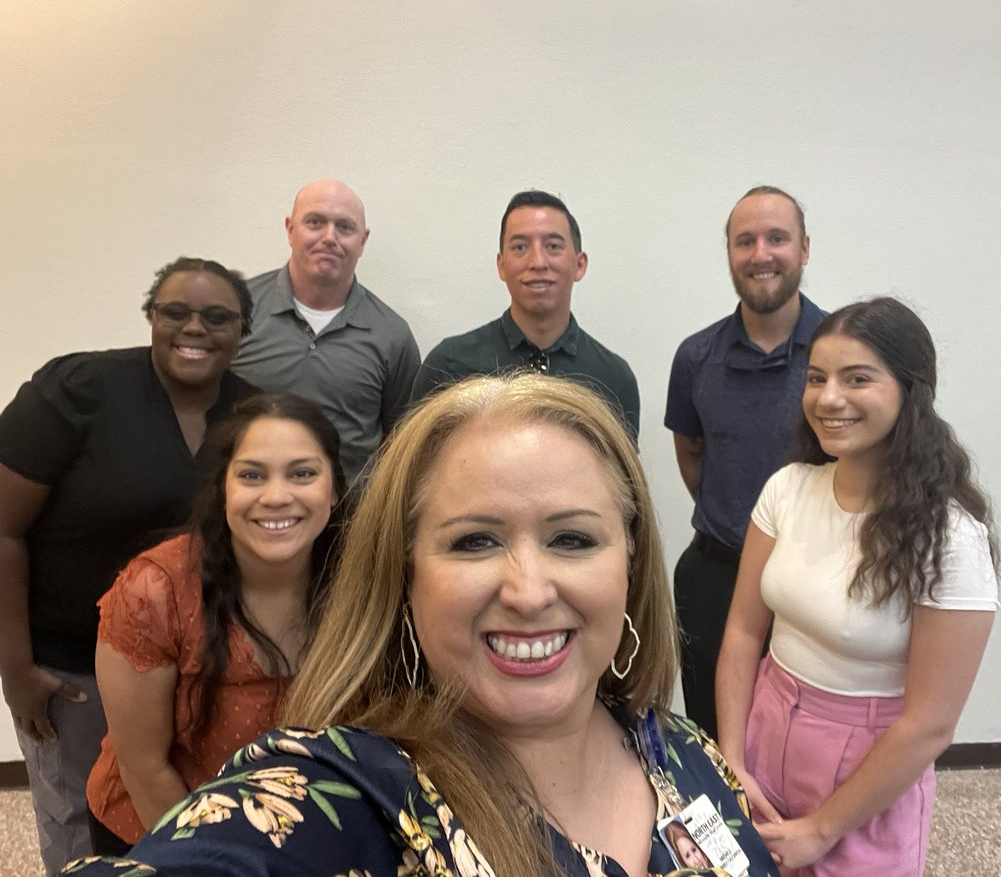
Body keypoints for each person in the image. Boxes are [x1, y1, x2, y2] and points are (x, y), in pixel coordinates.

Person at [63, 374, 777, 876]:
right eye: (474, 541)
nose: (529, 592)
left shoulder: (687, 752)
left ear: (631, 562)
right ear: (405, 580)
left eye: (572, 539)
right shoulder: (342, 798)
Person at [715, 297, 1001, 875]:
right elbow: (744, 634)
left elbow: (930, 724)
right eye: (817, 378)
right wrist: (732, 759)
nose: (829, 398)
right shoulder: (788, 488)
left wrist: (822, 831)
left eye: (857, 378)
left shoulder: (950, 537)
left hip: (868, 766)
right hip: (765, 725)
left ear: (909, 390)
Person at [0, 257, 258, 875]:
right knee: (80, 825)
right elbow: (3, 530)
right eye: (176, 312)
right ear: (151, 316)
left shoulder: (254, 413)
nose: (194, 328)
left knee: (178, 816)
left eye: (217, 317)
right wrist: (15, 671)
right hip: (70, 666)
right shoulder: (78, 388)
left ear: (243, 331)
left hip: (202, 664)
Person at [85, 393, 346, 854]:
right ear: (224, 488)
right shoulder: (155, 590)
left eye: (303, 473)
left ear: (335, 488)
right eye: (251, 475)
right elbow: (144, 767)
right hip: (162, 829)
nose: (277, 496)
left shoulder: (360, 581)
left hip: (298, 835)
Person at [665, 185, 826, 736]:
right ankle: (722, 826)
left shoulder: (840, 351)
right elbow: (692, 454)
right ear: (729, 253)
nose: (761, 254)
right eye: (745, 241)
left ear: (804, 248)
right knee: (715, 734)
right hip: (715, 575)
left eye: (777, 238)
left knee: (799, 734)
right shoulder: (695, 356)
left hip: (818, 578)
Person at [410, 190, 640, 442]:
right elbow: (414, 469)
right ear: (501, 265)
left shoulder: (614, 378)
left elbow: (619, 479)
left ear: (580, 264)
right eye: (520, 247)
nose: (538, 262)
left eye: (553, 246)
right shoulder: (448, 365)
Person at [233, 179, 421, 485]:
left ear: (363, 240)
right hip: (252, 509)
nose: (329, 237)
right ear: (290, 230)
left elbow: (402, 447)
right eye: (315, 222)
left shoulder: (392, 335)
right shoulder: (238, 310)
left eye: (344, 227)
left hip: (350, 522)